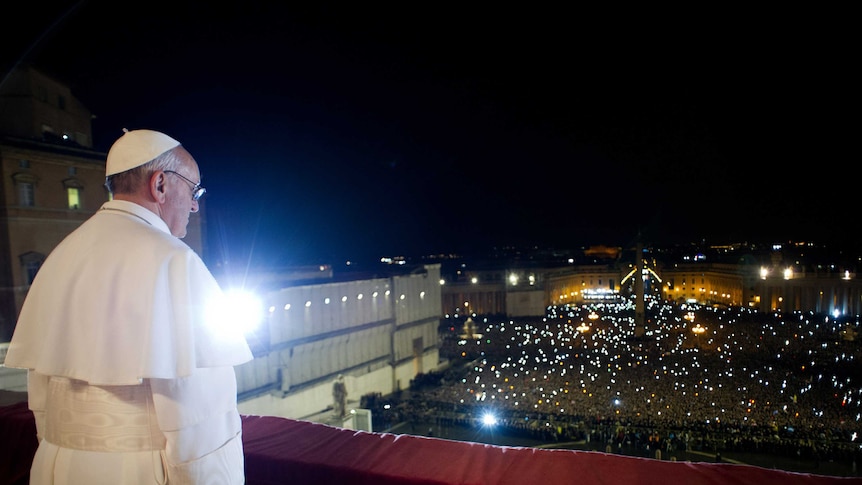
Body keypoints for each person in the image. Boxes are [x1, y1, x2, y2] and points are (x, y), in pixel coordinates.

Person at [4, 129, 253, 484]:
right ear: (161, 185)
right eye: (193, 189)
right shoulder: (174, 261)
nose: (196, 204)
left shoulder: (62, 253)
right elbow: (200, 420)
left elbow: (42, 398)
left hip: (56, 466)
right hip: (138, 472)